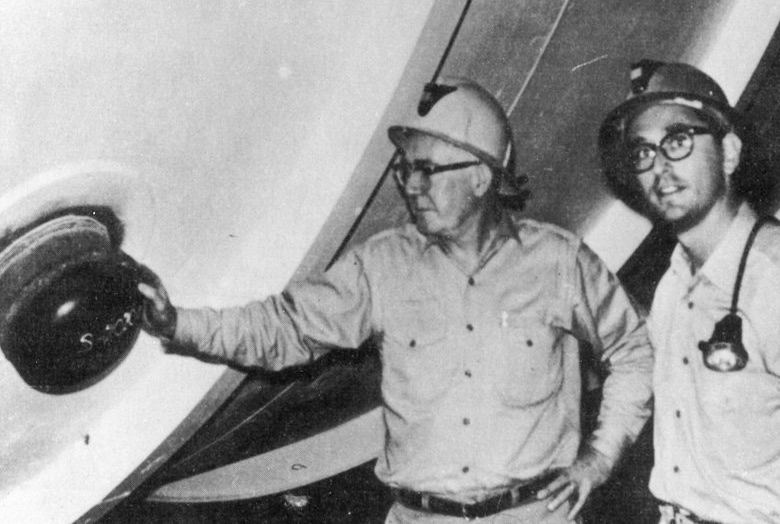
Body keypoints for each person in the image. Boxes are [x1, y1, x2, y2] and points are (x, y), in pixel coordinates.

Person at [139, 78, 653, 523]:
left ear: (480, 176)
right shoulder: (383, 266)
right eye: (405, 170)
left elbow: (634, 353)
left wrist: (599, 460)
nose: (411, 186)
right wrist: (176, 323)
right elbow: (284, 328)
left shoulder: (557, 261)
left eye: (427, 169)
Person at [599, 60, 780, 524]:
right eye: (642, 152)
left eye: (678, 140)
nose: (659, 167)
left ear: (728, 153)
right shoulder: (673, 284)